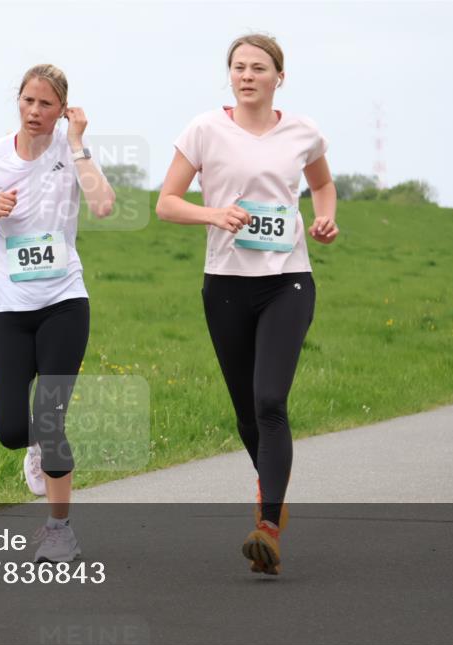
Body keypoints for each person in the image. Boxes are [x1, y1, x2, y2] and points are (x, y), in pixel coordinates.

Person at [156, 34, 338, 575]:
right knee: (245, 413)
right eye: (238, 67)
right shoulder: (204, 129)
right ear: (229, 75)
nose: (247, 75)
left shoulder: (303, 131)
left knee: (268, 400)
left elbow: (323, 186)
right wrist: (213, 215)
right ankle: (273, 501)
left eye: (259, 68)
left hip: (288, 280)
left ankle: (267, 527)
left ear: (279, 76)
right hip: (226, 283)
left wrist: (326, 218)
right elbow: (166, 203)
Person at [0, 64, 115, 563]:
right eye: (27, 101)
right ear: (16, 101)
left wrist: (79, 143)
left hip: (65, 302)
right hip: (9, 308)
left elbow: (103, 205)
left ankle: (60, 530)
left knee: (51, 416)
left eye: (46, 104)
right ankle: (34, 447)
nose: (34, 111)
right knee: (12, 430)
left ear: (63, 110)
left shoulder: (70, 151)